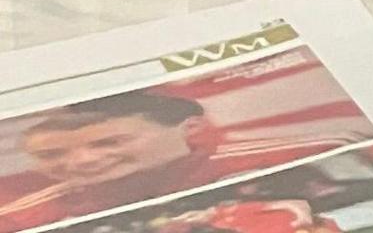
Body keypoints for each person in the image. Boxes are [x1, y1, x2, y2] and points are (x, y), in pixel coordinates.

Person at [0, 93, 317, 231]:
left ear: (190, 128)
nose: (81, 161)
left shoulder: (299, 157)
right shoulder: (23, 218)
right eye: (51, 155)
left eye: (109, 142)